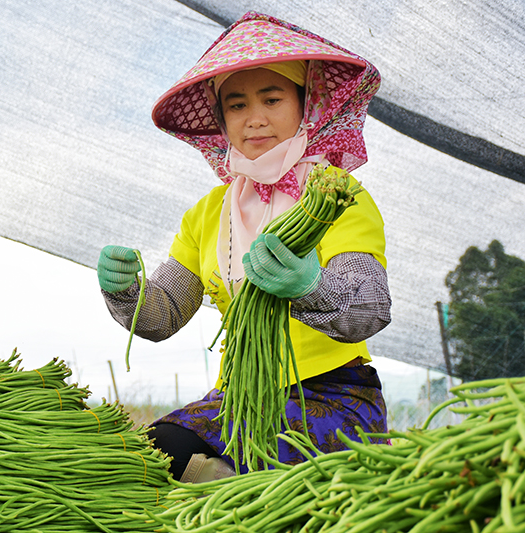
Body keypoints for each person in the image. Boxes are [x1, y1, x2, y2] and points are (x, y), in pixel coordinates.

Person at [97, 12, 391, 482]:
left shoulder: (335, 196)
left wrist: (311, 286)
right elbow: (164, 313)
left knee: (243, 476)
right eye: (236, 106)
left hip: (329, 394)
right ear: (221, 120)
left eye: (272, 99)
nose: (254, 119)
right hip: (238, 397)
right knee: (150, 457)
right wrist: (125, 291)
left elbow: (369, 308)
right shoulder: (209, 213)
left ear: (305, 105)